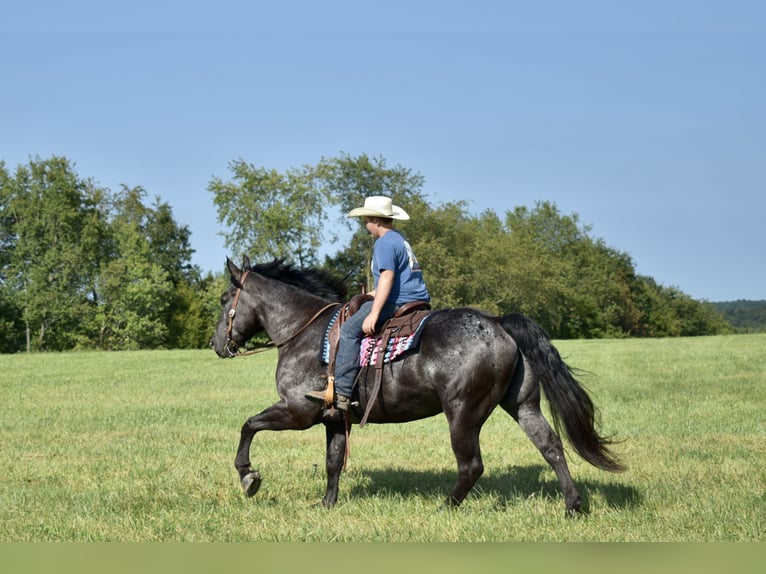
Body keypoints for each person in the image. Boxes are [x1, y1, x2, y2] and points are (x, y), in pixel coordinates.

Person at [306, 195, 430, 411]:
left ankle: (342, 393)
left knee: (348, 331)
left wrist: (374, 313)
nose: (366, 225)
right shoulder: (399, 239)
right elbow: (392, 280)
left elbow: (387, 278)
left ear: (378, 220)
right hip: (415, 299)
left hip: (397, 301)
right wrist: (368, 295)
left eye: (367, 220)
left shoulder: (384, 243)